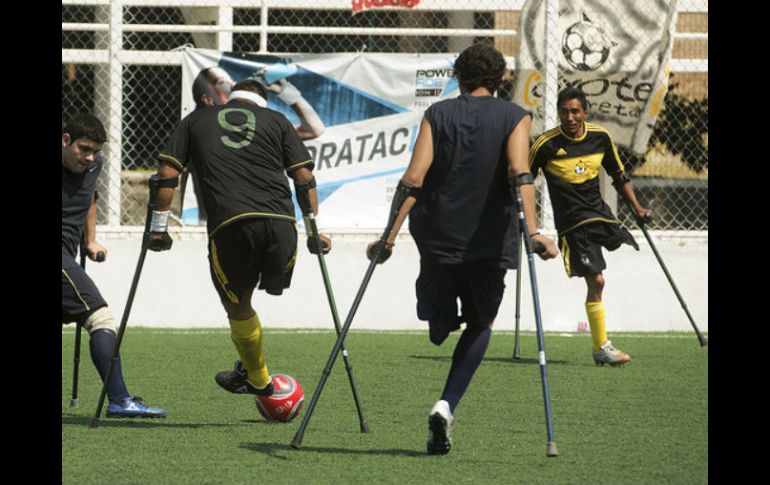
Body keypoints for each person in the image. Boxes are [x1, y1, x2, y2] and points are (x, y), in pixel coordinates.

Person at [366, 43, 558, 455]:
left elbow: (414, 178)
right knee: (481, 323)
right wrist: (535, 232)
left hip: (436, 233)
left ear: (459, 75)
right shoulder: (515, 117)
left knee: (437, 316)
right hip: (488, 239)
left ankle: (438, 315)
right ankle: (445, 404)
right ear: (501, 78)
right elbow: (520, 172)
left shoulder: (438, 114)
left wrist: (388, 236)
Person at [147, 79, 331, 407]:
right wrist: (314, 229)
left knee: (238, 305)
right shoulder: (277, 121)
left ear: (230, 99)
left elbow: (166, 175)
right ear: (261, 102)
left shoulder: (196, 120)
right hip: (282, 228)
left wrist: (158, 229)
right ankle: (250, 372)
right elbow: (304, 177)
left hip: (231, 226)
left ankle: (257, 378)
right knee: (260, 292)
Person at [529, 86, 653, 367]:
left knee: (617, 246)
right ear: (558, 113)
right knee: (596, 279)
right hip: (573, 224)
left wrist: (638, 208)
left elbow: (619, 175)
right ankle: (601, 347)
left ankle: (601, 347)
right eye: (564, 111)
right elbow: (524, 179)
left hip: (600, 216)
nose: (570, 117)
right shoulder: (545, 144)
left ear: (585, 112)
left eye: (575, 111)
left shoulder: (600, 137)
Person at [61, 113, 168, 418]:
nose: (90, 157)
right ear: (65, 140)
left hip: (69, 252)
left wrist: (90, 241)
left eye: (95, 150)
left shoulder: (94, 165)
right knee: (101, 318)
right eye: (84, 148)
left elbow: (89, 198)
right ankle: (120, 399)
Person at [183, 66, 326, 225]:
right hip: (221, 223)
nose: (231, 87)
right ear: (206, 98)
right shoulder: (198, 129)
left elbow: (314, 129)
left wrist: (289, 94)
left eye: (231, 82)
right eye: (221, 82)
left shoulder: (260, 124)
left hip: (261, 219)